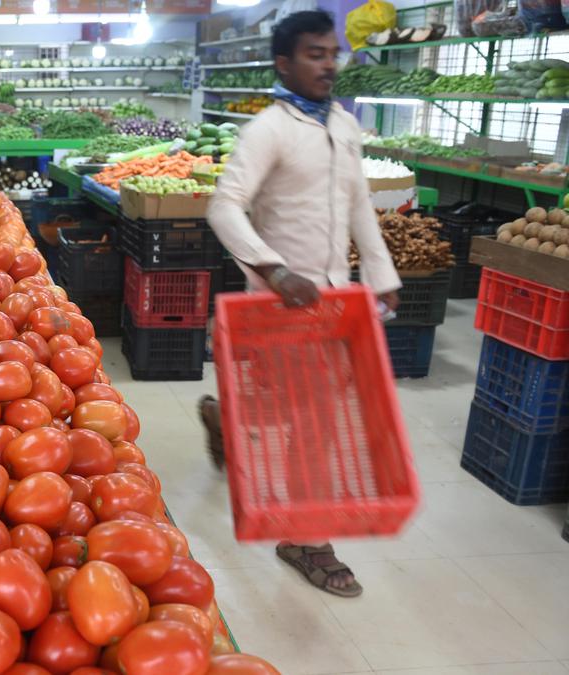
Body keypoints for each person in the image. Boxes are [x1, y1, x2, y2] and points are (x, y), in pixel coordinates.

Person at [201, 10, 402, 598]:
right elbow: (224, 206)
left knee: (302, 414)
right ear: (284, 64)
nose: (329, 64)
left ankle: (226, 420)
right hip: (275, 303)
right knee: (310, 421)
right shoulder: (267, 129)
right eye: (314, 54)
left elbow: (360, 204)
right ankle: (307, 541)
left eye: (332, 52)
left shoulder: (343, 126)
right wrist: (273, 268)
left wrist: (382, 275)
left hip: (333, 303)